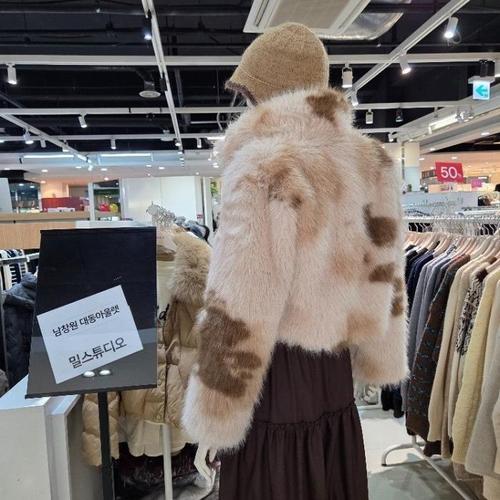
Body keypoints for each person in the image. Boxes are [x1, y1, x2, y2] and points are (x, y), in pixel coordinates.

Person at [182, 22, 407, 499]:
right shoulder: (371, 161)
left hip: (273, 372)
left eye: (249, 95)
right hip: (332, 369)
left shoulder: (262, 165)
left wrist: (216, 412)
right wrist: (380, 356)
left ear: (266, 93)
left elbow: (239, 304)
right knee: (325, 470)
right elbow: (386, 274)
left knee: (277, 476)